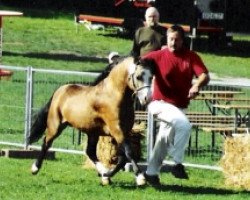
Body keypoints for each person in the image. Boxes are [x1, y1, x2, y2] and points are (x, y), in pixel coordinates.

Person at [141, 25, 210, 186]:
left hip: (179, 107)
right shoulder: (156, 56)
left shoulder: (191, 56)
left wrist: (196, 85)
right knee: (184, 126)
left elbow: (204, 75)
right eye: (171, 39)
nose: (173, 42)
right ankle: (177, 163)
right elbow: (137, 65)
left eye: (177, 39)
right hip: (159, 104)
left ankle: (151, 174)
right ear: (166, 39)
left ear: (182, 40)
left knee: (163, 141)